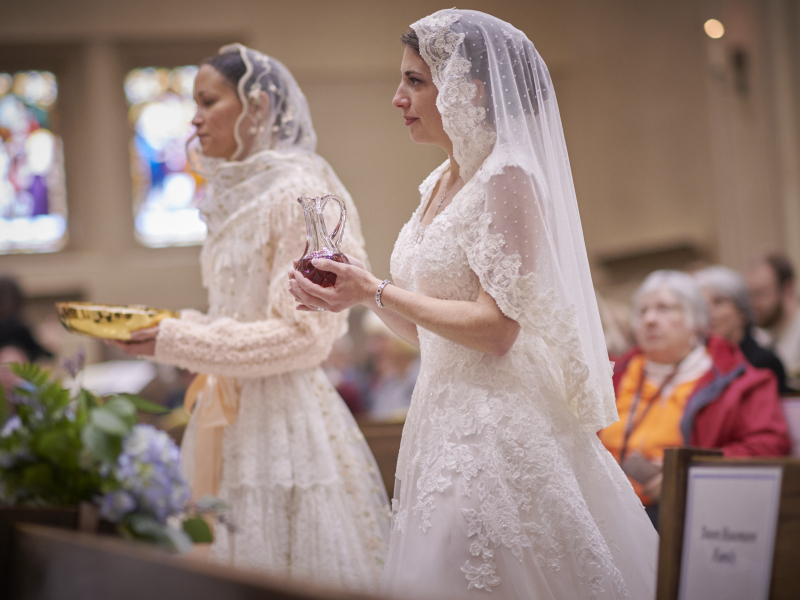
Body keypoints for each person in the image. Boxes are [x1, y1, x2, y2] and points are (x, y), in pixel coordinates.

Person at [291, 10, 657, 599]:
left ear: (468, 89)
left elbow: (495, 331)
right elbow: (433, 333)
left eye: (415, 81)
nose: (397, 98)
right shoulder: (439, 182)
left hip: (498, 424)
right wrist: (353, 293)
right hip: (440, 416)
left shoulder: (508, 178)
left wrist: (376, 291)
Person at [111, 44, 389, 590]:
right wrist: (166, 328)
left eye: (207, 101)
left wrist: (174, 341)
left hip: (284, 426)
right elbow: (234, 317)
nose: (193, 118)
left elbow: (305, 338)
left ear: (257, 107)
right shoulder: (233, 197)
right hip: (226, 419)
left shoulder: (302, 193)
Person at [599, 271, 791, 529]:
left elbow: (769, 445)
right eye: (642, 311)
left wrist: (688, 474)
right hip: (604, 508)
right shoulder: (612, 375)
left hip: (682, 515)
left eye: (665, 308)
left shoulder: (739, 381)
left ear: (697, 322)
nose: (650, 319)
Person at [695, 265, 791, 392]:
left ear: (742, 312)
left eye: (718, 302)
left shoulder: (764, 362)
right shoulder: (699, 362)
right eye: (703, 305)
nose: (709, 312)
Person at [745, 252, 800, 379]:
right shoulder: (757, 336)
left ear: (787, 289)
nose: (753, 304)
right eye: (749, 295)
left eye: (761, 294)